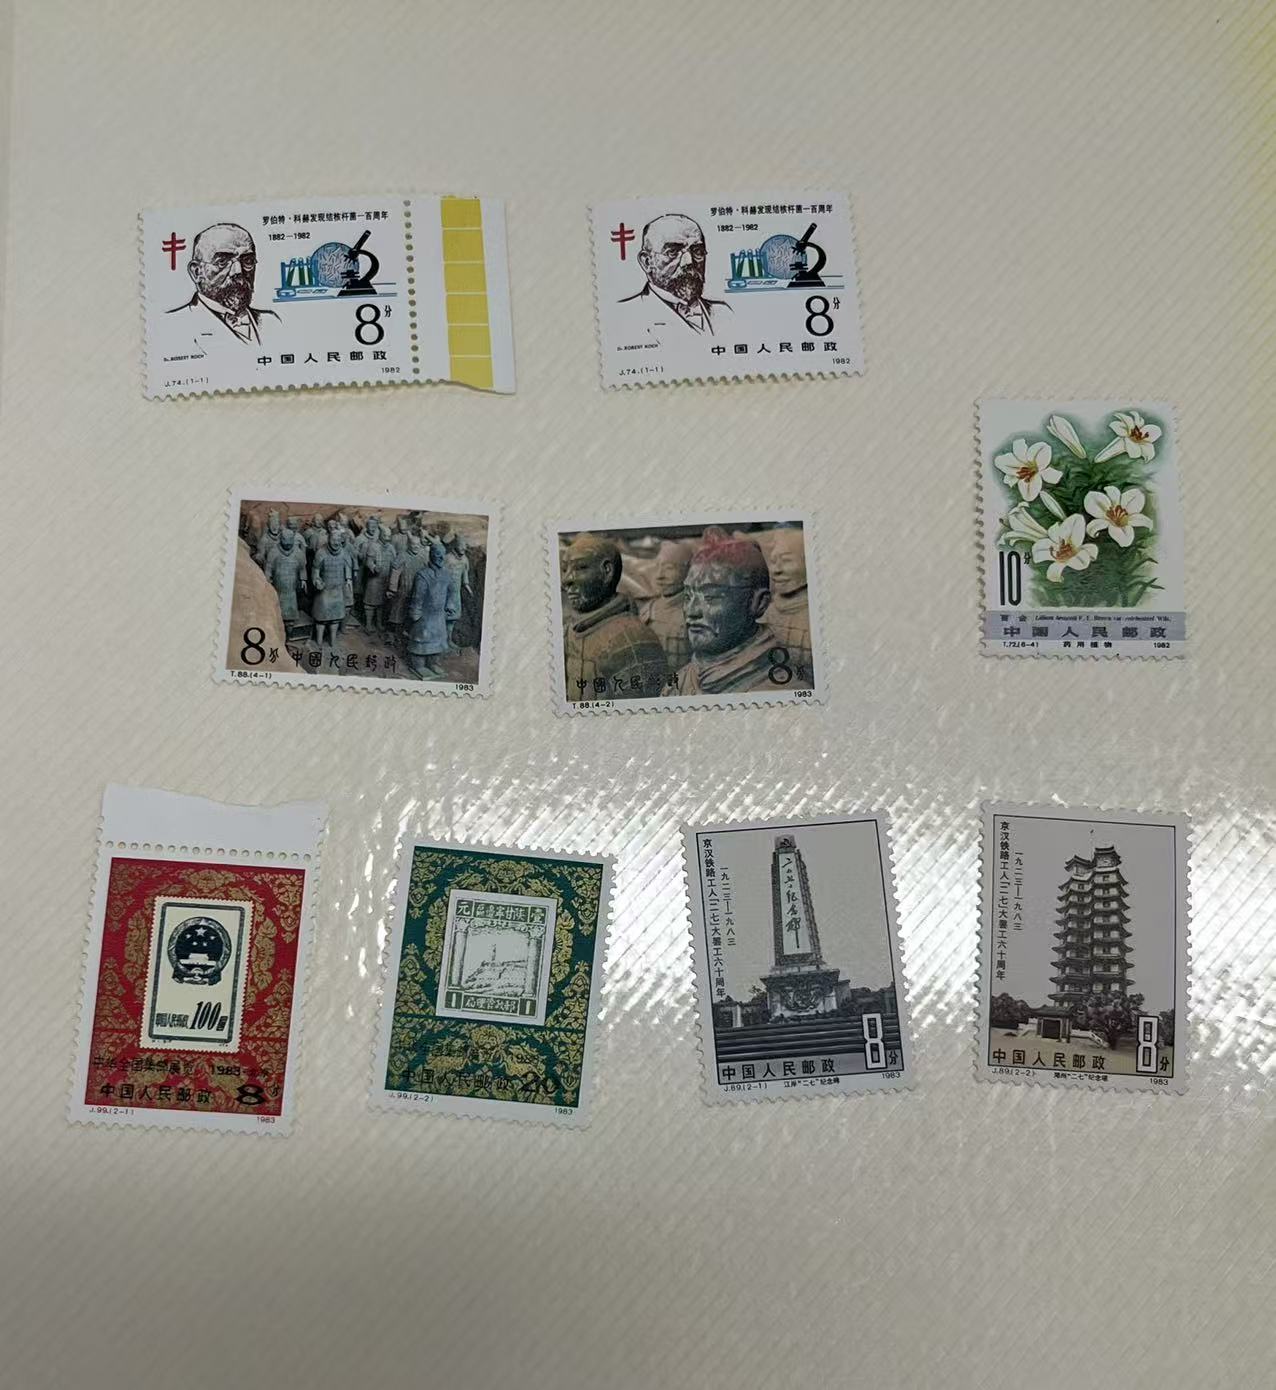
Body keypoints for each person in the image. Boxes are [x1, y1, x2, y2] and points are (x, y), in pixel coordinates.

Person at [672, 528, 801, 695]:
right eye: (688, 596)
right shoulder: (679, 681)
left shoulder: (783, 692)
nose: (692, 611)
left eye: (711, 597)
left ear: (758, 603)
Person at [561, 533, 667, 701]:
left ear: (607, 571)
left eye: (580, 568)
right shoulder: (569, 631)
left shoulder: (633, 639)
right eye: (565, 569)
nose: (566, 580)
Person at [166, 223, 279, 345]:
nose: (238, 271)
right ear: (197, 272)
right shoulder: (174, 325)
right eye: (222, 262)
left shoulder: (272, 322)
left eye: (248, 261)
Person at [618, 214, 730, 335]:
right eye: (672, 252)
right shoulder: (627, 315)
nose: (688, 261)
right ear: (647, 262)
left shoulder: (724, 313)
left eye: (697, 251)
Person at [762, 528, 814, 682]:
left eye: (786, 561)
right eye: (773, 562)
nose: (775, 570)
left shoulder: (814, 615)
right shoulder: (770, 611)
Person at [637, 539, 693, 674]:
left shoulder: (695, 612)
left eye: (669, 568)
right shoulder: (647, 610)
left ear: (688, 571)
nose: (659, 576)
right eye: (657, 567)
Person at [406, 540, 453, 678]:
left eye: (443, 554)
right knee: (421, 641)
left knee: (437, 641)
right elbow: (417, 596)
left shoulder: (446, 574)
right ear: (431, 555)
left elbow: (451, 591)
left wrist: (450, 604)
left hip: (439, 616)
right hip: (424, 616)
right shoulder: (423, 575)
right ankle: (419, 665)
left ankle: (433, 663)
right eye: (438, 554)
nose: (441, 558)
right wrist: (415, 611)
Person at [311, 523, 354, 650]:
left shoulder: (344, 553)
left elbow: (348, 568)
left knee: (335, 618)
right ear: (329, 539)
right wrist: (317, 580)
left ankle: (333, 640)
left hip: (338, 589)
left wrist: (348, 580)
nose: (336, 542)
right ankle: (319, 641)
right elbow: (315, 570)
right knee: (322, 618)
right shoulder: (321, 553)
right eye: (333, 539)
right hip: (324, 590)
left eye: (338, 540)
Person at [264, 527, 308, 636]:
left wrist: (303, 579)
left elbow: (302, 567)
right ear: (281, 539)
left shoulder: (298, 553)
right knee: (276, 612)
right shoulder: (274, 552)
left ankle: (288, 634)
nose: (287, 545)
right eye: (285, 542)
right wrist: (267, 581)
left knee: (290, 614)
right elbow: (268, 568)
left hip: (292, 589)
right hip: (278, 588)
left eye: (290, 542)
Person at [388, 532, 426, 643]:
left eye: (418, 544)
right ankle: (393, 634)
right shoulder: (402, 556)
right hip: (404, 589)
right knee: (398, 612)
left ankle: (408, 633)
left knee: (412, 613)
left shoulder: (423, 556)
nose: (416, 546)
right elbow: (395, 573)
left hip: (417, 591)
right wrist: (392, 588)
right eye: (413, 544)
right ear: (409, 544)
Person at [359, 515, 390, 632]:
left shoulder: (390, 547)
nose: (387, 538)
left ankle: (379, 623)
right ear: (380, 535)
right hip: (374, 579)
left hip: (385, 579)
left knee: (381, 604)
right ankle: (368, 625)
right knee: (370, 603)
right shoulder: (373, 546)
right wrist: (373, 568)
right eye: (385, 536)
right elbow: (368, 561)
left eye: (389, 536)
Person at [443, 534, 473, 650]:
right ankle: (441, 640)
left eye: (465, 546)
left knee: (453, 617)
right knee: (443, 616)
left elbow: (465, 577)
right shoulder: (447, 558)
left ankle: (449, 639)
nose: (463, 549)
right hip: (445, 593)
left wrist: (468, 588)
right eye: (461, 546)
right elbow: (440, 575)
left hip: (455, 594)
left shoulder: (465, 560)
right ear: (456, 545)